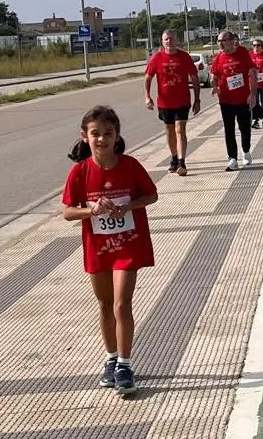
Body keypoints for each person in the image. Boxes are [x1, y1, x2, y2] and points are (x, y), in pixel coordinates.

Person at [62, 105, 159, 396]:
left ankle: (125, 365)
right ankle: (111, 358)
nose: (102, 139)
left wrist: (128, 205)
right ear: (84, 137)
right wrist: (91, 210)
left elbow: (152, 194)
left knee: (121, 304)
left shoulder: (130, 166)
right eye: (96, 134)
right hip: (98, 248)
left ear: (117, 136)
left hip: (127, 244)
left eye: (108, 133)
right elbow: (67, 212)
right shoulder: (80, 172)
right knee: (104, 305)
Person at [144, 29, 202, 176]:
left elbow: (195, 79)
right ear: (162, 42)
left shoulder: (184, 57)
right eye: (166, 39)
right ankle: (174, 157)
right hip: (164, 103)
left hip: (182, 101)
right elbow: (148, 78)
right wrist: (147, 97)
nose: (169, 41)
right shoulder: (157, 58)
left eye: (171, 38)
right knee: (169, 131)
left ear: (177, 40)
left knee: (180, 130)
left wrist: (197, 99)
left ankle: (182, 161)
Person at [210, 30, 258, 171]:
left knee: (244, 128)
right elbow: (213, 77)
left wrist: (253, 94)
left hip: (243, 99)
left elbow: (253, 73)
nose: (221, 44)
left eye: (223, 41)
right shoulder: (217, 59)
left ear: (232, 41)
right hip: (225, 100)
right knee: (229, 130)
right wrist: (215, 87)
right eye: (218, 41)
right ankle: (232, 158)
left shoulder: (242, 53)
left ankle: (246, 150)